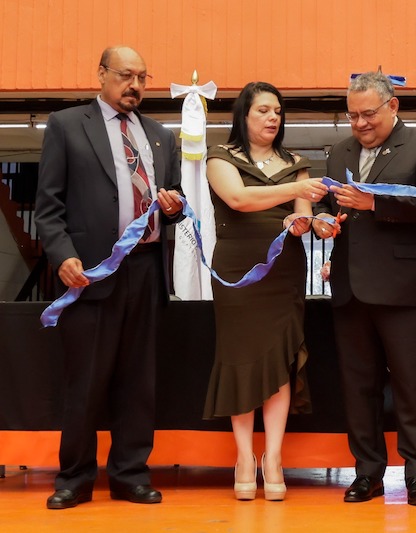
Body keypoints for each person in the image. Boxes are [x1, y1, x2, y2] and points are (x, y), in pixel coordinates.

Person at [35, 46, 184, 509]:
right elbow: (48, 207)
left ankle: (130, 475)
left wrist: (176, 206)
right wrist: (62, 256)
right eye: (125, 75)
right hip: (90, 272)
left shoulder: (159, 135)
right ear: (101, 74)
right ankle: (74, 479)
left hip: (146, 268)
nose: (135, 85)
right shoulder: (66, 125)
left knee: (139, 381)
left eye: (142, 77)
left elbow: (175, 201)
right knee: (85, 381)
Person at [312, 72, 416, 506]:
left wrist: (375, 203)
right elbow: (327, 203)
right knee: (359, 388)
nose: (360, 124)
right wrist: (320, 219)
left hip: (404, 288)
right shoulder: (339, 151)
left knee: (412, 387)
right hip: (350, 289)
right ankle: (367, 473)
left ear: (393, 106)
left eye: (368, 114)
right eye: (352, 116)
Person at [202, 82, 329, 502]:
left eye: (277, 111)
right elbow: (238, 199)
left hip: (283, 271)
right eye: (263, 110)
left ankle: (272, 458)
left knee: (279, 361)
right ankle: (244, 458)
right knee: (240, 359)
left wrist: (306, 222)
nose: (273, 117)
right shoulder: (220, 157)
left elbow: (303, 218)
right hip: (238, 271)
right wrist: (295, 191)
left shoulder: (296, 163)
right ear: (244, 115)